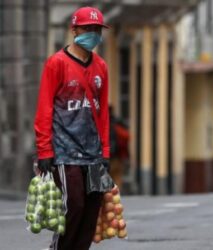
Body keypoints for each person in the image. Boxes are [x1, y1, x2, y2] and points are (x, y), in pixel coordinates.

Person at [34, 6, 110, 250]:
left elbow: (102, 113)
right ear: (74, 29)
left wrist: (105, 152)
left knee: (92, 208)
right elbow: (44, 109)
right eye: (88, 28)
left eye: (97, 30)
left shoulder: (101, 67)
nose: (93, 34)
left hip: (93, 152)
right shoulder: (56, 64)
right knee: (74, 204)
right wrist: (45, 151)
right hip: (65, 151)